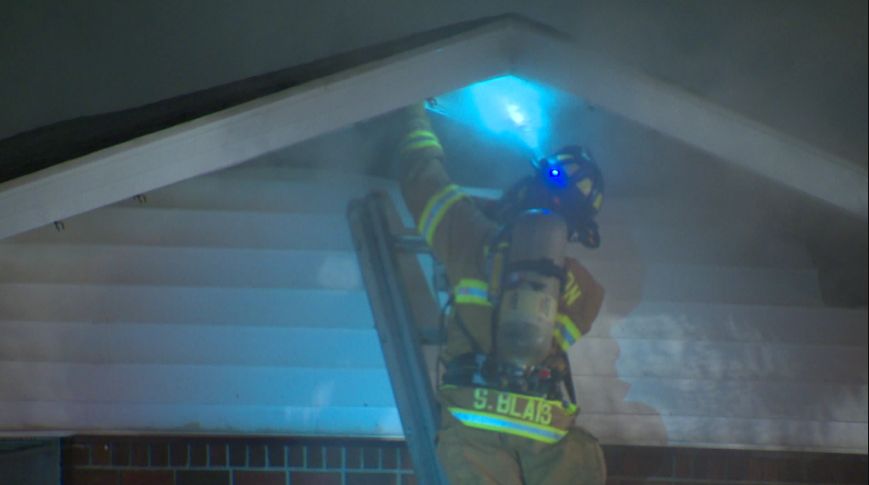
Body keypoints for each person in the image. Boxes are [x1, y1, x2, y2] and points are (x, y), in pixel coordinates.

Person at [393, 101, 607, 484]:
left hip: (473, 418)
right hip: (546, 429)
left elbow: (421, 179)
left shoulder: (472, 237)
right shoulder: (585, 290)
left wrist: (413, 111)